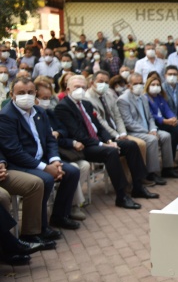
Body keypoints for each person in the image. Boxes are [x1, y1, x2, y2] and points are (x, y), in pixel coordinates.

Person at [55, 75, 158, 209]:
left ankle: (138, 186)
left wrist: (109, 140)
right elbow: (77, 134)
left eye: (82, 87)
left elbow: (98, 126)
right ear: (68, 89)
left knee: (131, 145)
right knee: (111, 152)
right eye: (77, 87)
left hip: (99, 141)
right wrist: (102, 144)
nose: (80, 90)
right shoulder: (63, 107)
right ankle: (121, 196)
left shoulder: (85, 103)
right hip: (83, 147)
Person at [0, 77, 81, 235]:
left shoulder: (40, 112)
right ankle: (40, 227)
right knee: (46, 178)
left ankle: (59, 216)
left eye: (30, 92)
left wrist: (55, 160)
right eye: (21, 93)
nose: (27, 96)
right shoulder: (7, 116)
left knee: (72, 172)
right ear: (12, 94)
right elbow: (14, 152)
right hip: (20, 163)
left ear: (35, 93)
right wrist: (45, 167)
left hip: (41, 159)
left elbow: (50, 140)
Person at [35, 81, 89, 221]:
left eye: (48, 98)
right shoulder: (31, 116)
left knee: (84, 165)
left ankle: (70, 204)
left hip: (56, 151)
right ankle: (68, 207)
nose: (46, 101)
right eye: (43, 98)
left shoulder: (48, 113)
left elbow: (63, 130)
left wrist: (58, 132)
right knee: (73, 168)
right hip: (44, 156)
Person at [117, 72, 178, 182]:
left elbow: (150, 117)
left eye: (141, 83)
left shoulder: (143, 97)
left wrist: (152, 129)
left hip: (148, 129)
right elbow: (128, 122)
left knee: (166, 136)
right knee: (152, 140)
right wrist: (147, 131)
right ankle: (151, 173)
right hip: (134, 131)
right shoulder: (123, 100)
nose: (139, 86)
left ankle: (167, 168)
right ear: (129, 85)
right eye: (135, 83)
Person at [84, 71, 149, 170]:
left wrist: (122, 132)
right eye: (101, 81)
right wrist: (117, 135)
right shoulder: (87, 99)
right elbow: (101, 122)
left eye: (106, 82)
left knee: (139, 144)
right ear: (92, 82)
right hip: (106, 135)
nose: (104, 84)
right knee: (135, 144)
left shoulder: (108, 94)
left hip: (118, 132)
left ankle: (142, 176)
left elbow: (117, 116)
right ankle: (136, 177)